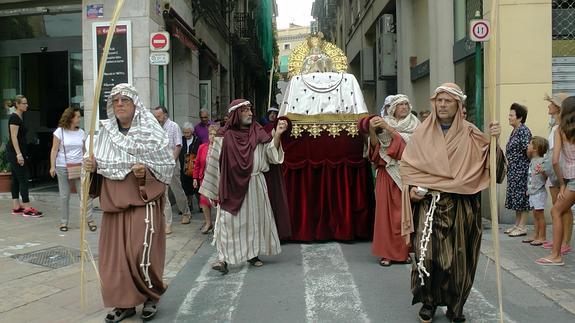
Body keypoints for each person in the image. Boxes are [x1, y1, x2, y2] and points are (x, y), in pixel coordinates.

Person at [399, 83, 501, 323]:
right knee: (426, 257)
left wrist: (495, 142)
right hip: (430, 204)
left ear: (459, 105)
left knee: (458, 261)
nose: (442, 105)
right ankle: (428, 302)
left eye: (448, 101)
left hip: (461, 206)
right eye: (439, 100)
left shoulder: (472, 134)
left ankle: (456, 305)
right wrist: (412, 192)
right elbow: (408, 170)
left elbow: (492, 169)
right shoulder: (421, 133)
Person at [84, 83, 174, 321]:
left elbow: (166, 165)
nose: (120, 104)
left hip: (143, 202)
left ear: (135, 104)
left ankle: (150, 296)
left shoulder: (152, 133)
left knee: (141, 252)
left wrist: (145, 172)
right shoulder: (104, 134)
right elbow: (98, 166)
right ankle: (124, 304)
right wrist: (93, 168)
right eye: (116, 101)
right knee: (116, 258)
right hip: (114, 204)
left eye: (125, 100)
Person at [199, 99, 287, 275]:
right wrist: (212, 190)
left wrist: (277, 134)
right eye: (245, 110)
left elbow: (271, 155)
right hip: (231, 184)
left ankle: (252, 255)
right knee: (227, 221)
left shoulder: (258, 132)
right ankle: (223, 259)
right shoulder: (223, 136)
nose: (250, 113)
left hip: (255, 183)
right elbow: (214, 163)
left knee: (254, 221)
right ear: (236, 114)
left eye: (250, 110)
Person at [363, 94, 420, 266]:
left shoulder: (416, 124)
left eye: (406, 104)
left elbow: (412, 147)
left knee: (404, 215)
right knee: (384, 216)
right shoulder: (383, 122)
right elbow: (376, 149)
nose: (404, 107)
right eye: (400, 104)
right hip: (386, 173)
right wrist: (372, 130)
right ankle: (386, 253)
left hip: (406, 173)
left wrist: (388, 128)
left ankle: (404, 252)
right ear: (393, 108)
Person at [537, 95, 575, 266]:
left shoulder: (560, 130)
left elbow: (555, 160)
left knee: (556, 211)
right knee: (561, 211)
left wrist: (561, 184)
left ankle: (556, 255)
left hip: (571, 179)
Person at [49, 107, 95, 232]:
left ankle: (90, 220)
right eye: (77, 117)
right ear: (70, 118)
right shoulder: (60, 132)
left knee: (85, 194)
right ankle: (64, 222)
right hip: (62, 165)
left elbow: (85, 150)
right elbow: (54, 149)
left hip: (80, 166)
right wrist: (52, 166)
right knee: (65, 195)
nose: (79, 119)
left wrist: (89, 161)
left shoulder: (81, 132)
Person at [152, 106, 193, 233]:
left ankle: (186, 212)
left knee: (177, 190)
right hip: (160, 164)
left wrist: (172, 161)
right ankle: (167, 223)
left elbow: (178, 145)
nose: (157, 118)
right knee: (163, 193)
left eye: (158, 116)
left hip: (172, 162)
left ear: (165, 115)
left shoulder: (173, 126)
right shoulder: (156, 127)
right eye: (155, 116)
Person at [7, 95, 43, 217]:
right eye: (24, 103)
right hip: (15, 152)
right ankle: (27, 207)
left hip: (16, 152)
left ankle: (16, 206)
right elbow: (13, 137)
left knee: (16, 178)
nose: (26, 105)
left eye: (26, 103)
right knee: (23, 178)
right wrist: (18, 154)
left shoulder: (18, 117)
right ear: (17, 104)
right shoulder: (14, 118)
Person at [504, 103, 532, 237]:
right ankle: (517, 224)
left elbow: (529, 151)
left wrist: (526, 166)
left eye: (511, 115)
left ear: (520, 118)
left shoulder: (523, 131)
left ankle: (522, 226)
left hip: (522, 170)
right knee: (516, 197)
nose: (509, 117)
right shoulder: (515, 130)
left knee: (522, 197)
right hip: (513, 170)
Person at [193, 125, 218, 234]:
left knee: (218, 202)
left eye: (214, 135)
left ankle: (218, 224)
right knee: (203, 201)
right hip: (204, 178)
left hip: (217, 179)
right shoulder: (202, 147)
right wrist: (195, 178)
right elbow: (197, 164)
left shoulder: (222, 148)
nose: (212, 137)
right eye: (210, 134)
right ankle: (208, 223)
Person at [524, 136, 548, 246]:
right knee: (535, 214)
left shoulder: (541, 161)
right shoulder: (532, 160)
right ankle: (535, 235)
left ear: (536, 148)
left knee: (540, 215)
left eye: (530, 144)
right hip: (533, 192)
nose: (527, 145)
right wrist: (528, 189)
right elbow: (531, 177)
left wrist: (543, 171)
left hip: (539, 192)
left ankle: (542, 237)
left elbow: (545, 176)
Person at [179, 122, 201, 212]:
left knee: (196, 187)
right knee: (185, 186)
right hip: (183, 166)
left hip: (194, 166)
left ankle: (201, 204)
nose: (186, 134)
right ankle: (189, 204)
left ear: (192, 132)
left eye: (188, 132)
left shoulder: (197, 140)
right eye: (184, 132)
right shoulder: (181, 140)